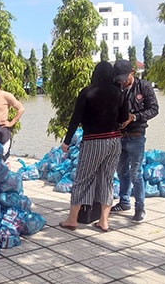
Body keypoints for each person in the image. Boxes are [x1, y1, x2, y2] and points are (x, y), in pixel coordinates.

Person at [58, 61, 129, 232]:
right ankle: (104, 221)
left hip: (93, 141)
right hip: (114, 141)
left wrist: (67, 141)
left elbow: (75, 119)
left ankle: (72, 219)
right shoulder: (119, 93)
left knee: (83, 179)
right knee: (107, 180)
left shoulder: (87, 92)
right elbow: (123, 118)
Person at [111, 59, 159, 223]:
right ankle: (124, 202)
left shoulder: (143, 87)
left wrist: (135, 117)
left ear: (132, 72)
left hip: (136, 136)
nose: (123, 81)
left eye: (125, 77)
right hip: (119, 136)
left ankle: (140, 208)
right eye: (120, 79)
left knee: (136, 174)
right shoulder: (116, 87)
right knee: (121, 172)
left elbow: (154, 109)